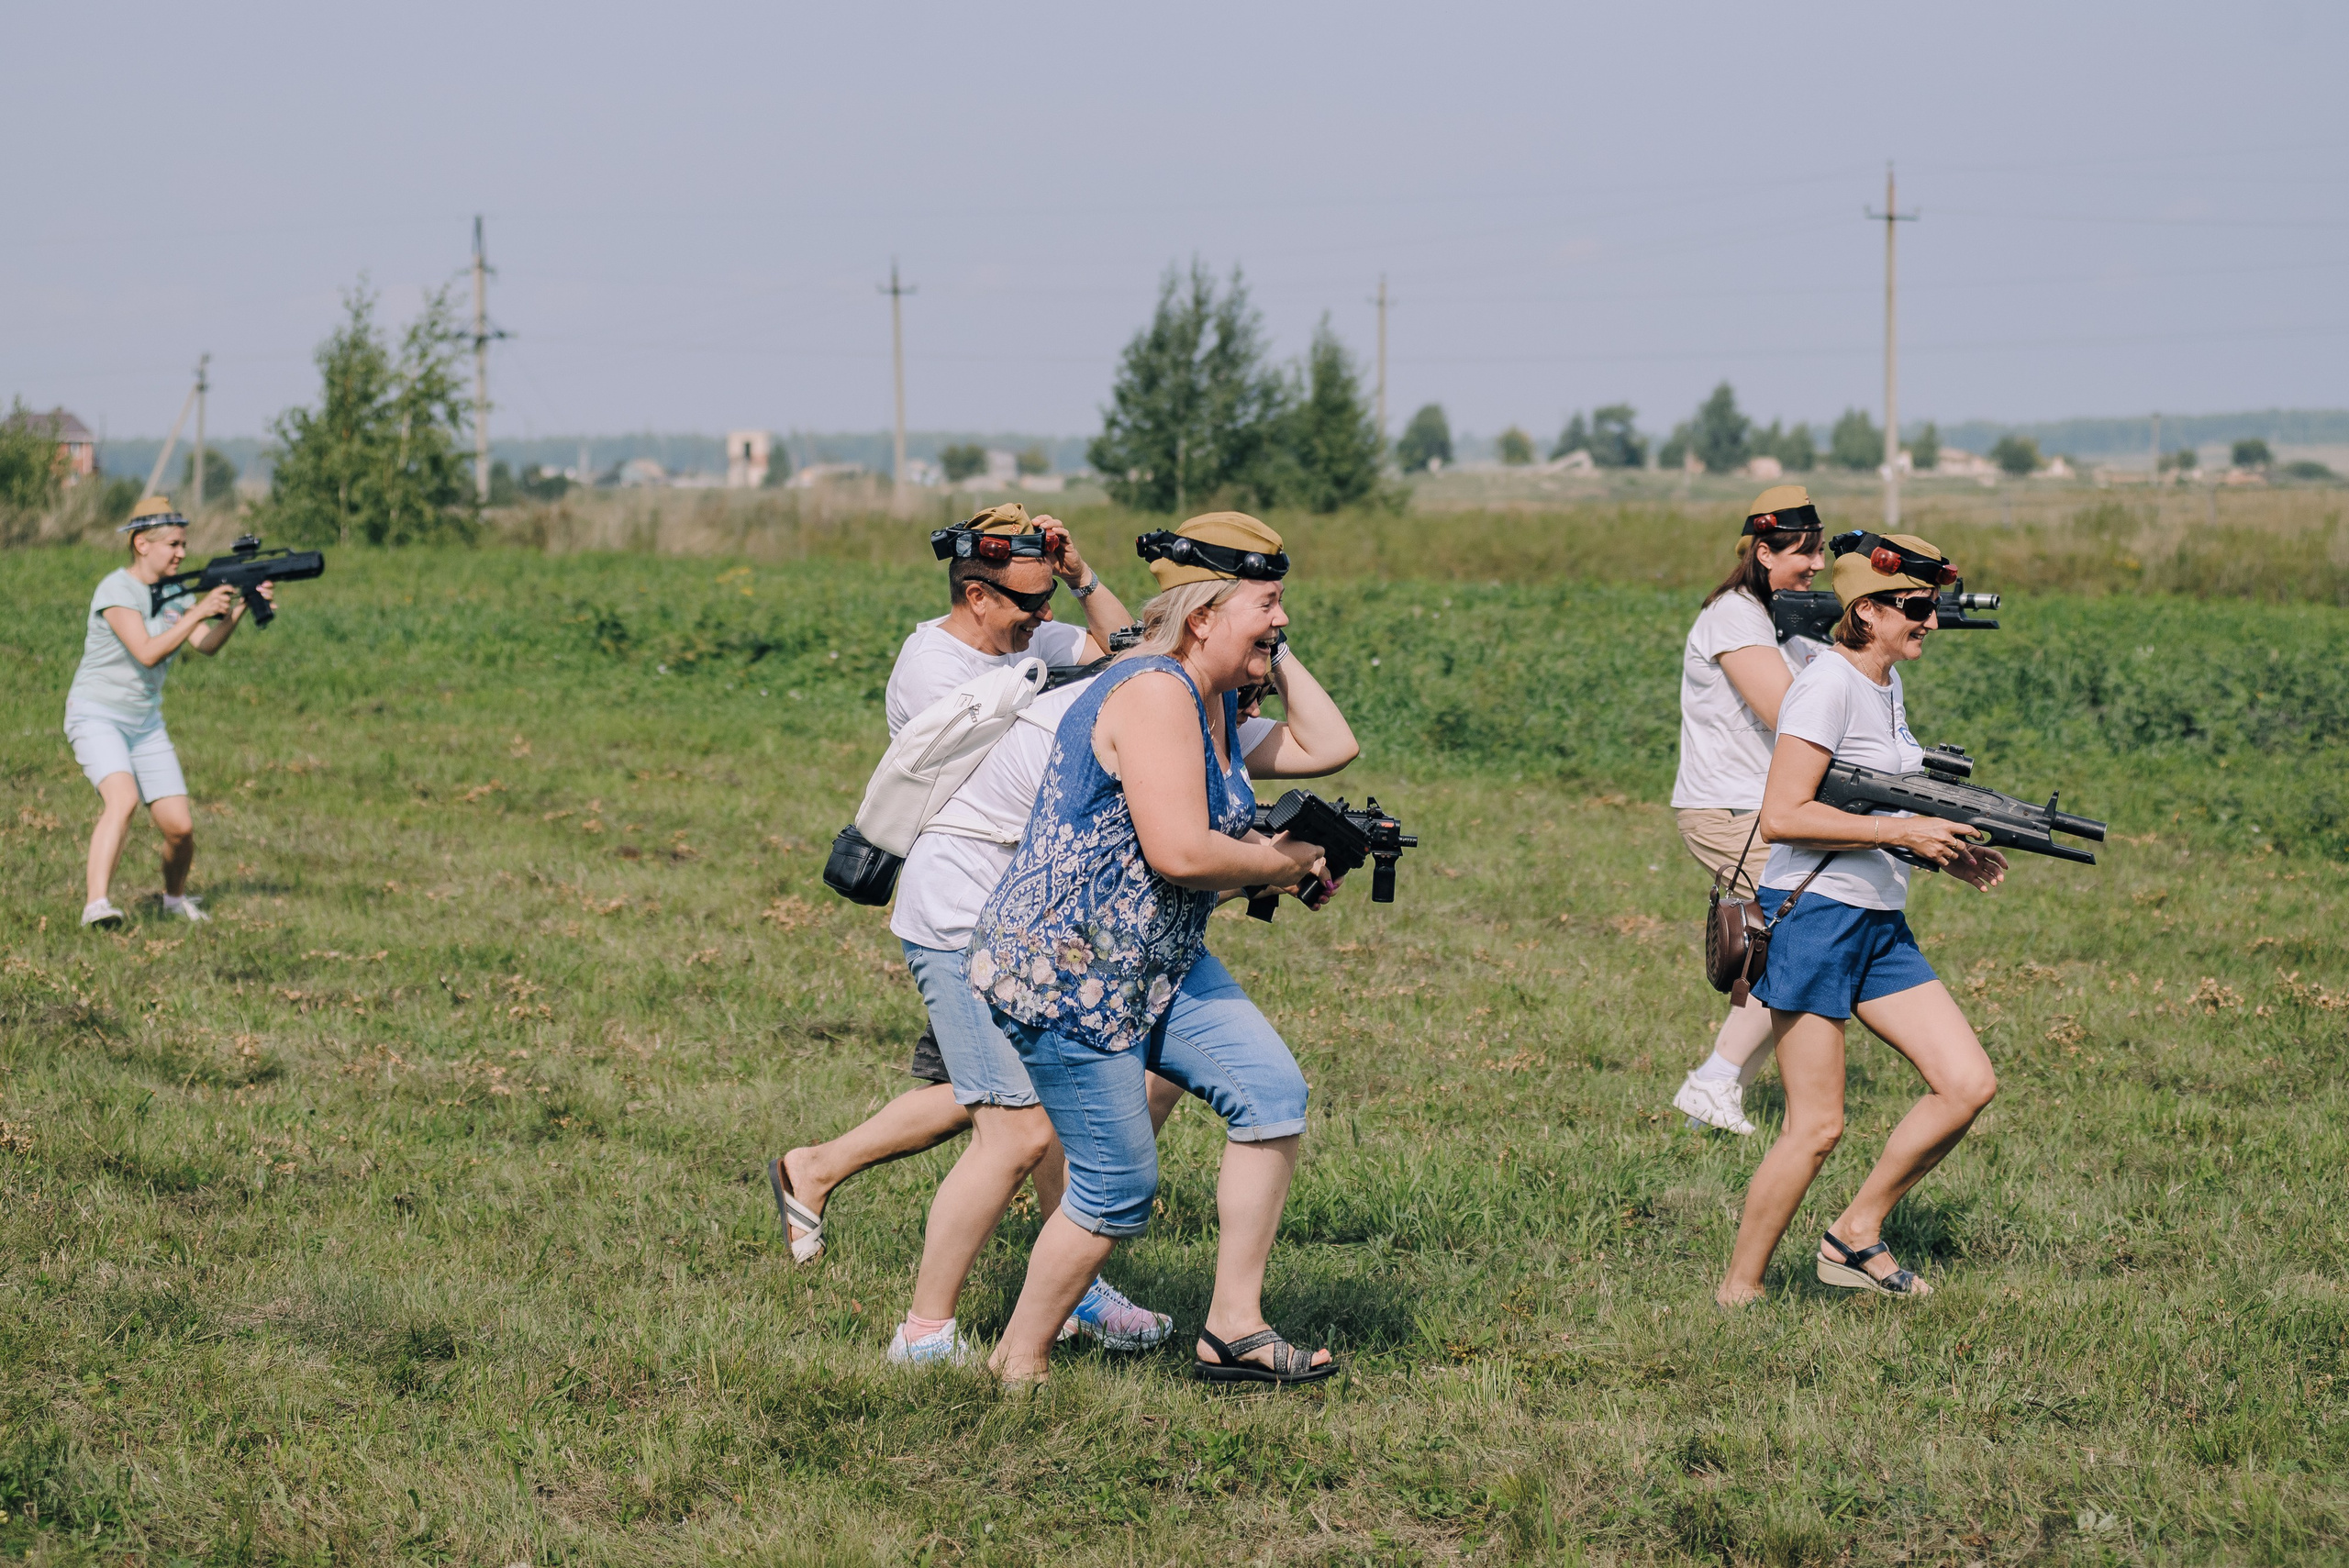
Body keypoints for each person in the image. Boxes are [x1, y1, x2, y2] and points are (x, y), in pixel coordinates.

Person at [884, 593, 1357, 1364]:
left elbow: (1329, 745)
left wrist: (1273, 640)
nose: (1280, 618)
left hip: (1151, 959)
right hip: (1072, 969)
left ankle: (1233, 1326)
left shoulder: (1215, 713)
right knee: (1084, 1172)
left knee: (1270, 1093)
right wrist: (1282, 860)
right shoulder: (1152, 695)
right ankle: (1005, 1354)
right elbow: (1177, 853)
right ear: (1201, 616)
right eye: (1266, 603)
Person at [768, 505, 1133, 1264]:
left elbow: (1127, 654)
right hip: (964, 903)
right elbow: (1015, 759)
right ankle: (957, 1309)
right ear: (976, 595)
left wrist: (1080, 574)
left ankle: (817, 1167)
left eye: (1049, 602)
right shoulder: (933, 665)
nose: (1044, 617)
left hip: (1025, 905)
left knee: (997, 1099)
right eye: (1028, 603)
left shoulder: (1032, 635)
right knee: (1019, 1115)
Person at [1716, 532, 2005, 1307]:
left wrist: (1938, 847)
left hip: (1877, 919)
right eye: (1915, 608)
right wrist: (1899, 832)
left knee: (1967, 1082)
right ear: (1865, 610)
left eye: (1932, 607)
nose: (1930, 623)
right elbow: (1783, 814)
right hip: (1815, 920)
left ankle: (1855, 1230)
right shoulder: (1827, 686)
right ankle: (1738, 1292)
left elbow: (1880, 802)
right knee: (1816, 1126)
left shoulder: (1882, 685)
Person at [1666, 486, 1828, 1134]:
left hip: (1765, 805)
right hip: (1733, 810)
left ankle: (1721, 1086)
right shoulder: (1735, 614)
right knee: (1805, 937)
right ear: (1763, 551)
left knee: (1796, 944)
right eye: (1804, 553)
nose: (1815, 565)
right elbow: (1788, 712)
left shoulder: (1777, 617)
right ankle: (1715, 1079)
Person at [65, 497, 273, 929]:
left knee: (180, 829)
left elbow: (205, 644)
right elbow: (145, 652)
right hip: (97, 715)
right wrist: (198, 608)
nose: (182, 552)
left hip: (144, 723)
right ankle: (96, 906)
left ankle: (174, 900)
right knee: (122, 800)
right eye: (173, 544)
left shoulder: (177, 593)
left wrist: (236, 610)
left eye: (184, 544)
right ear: (142, 544)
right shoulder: (116, 590)